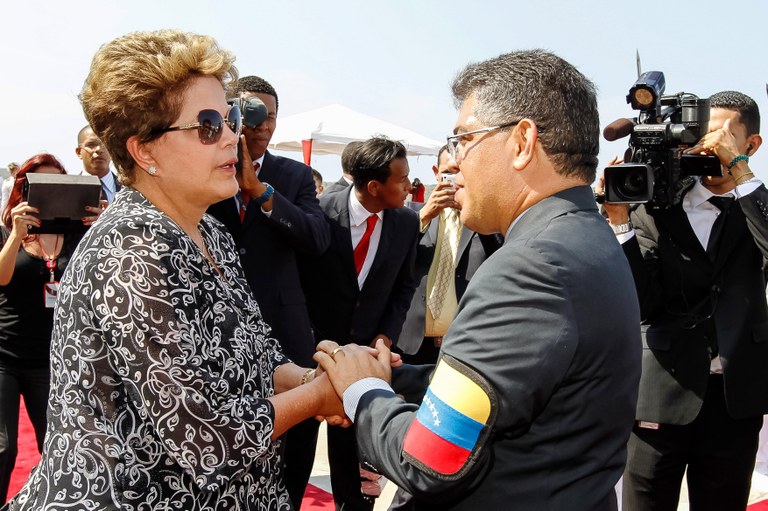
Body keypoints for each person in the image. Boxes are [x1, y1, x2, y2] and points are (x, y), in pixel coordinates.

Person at [5, 29, 345, 511]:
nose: (233, 136)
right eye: (209, 125)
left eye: (229, 118)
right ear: (144, 151)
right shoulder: (129, 254)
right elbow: (207, 442)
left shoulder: (212, 233)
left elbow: (262, 362)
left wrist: (334, 373)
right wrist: (324, 395)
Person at [315, 49, 642, 510]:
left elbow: (430, 460)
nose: (455, 158)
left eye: (465, 138)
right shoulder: (587, 237)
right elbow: (504, 387)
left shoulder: (531, 265)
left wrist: (359, 391)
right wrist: (398, 378)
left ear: (522, 141)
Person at [600, 90, 767, 510]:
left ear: (751, 145)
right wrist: (619, 225)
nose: (709, 149)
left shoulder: (757, 206)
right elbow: (642, 302)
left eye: (723, 139)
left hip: (735, 400)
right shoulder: (655, 207)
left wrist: (740, 171)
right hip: (661, 391)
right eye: (702, 136)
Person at [207, 74, 330, 509]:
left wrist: (261, 193)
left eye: (270, 119)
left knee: (295, 451)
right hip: (217, 332)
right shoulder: (203, 173)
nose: (261, 128)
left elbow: (317, 238)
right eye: (251, 117)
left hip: (285, 329)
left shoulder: (292, 175)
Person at [299, 135, 419, 510]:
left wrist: (385, 337)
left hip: (366, 360)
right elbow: (298, 283)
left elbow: (404, 288)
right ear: (374, 186)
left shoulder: (406, 222)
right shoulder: (319, 212)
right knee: (296, 455)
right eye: (402, 179)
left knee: (353, 466)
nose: (409, 186)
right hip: (310, 357)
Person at [0, 153, 103, 504]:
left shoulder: (77, 234)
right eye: (41, 185)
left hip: (52, 356)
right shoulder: (8, 229)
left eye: (60, 184)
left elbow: (100, 279)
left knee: (58, 445)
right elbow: (1, 277)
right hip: (5, 355)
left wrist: (100, 229)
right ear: (24, 190)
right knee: (3, 448)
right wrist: (16, 234)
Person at [396, 145, 502, 366]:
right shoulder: (410, 216)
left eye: (462, 172)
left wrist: (476, 213)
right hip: (410, 343)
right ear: (436, 172)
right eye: (449, 172)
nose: (456, 180)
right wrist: (424, 217)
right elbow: (392, 259)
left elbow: (501, 256)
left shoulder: (485, 221)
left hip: (465, 344)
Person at [76, 125, 121, 204]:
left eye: (105, 144)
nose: (99, 149)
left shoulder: (131, 191)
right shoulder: (68, 190)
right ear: (79, 152)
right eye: (91, 144)